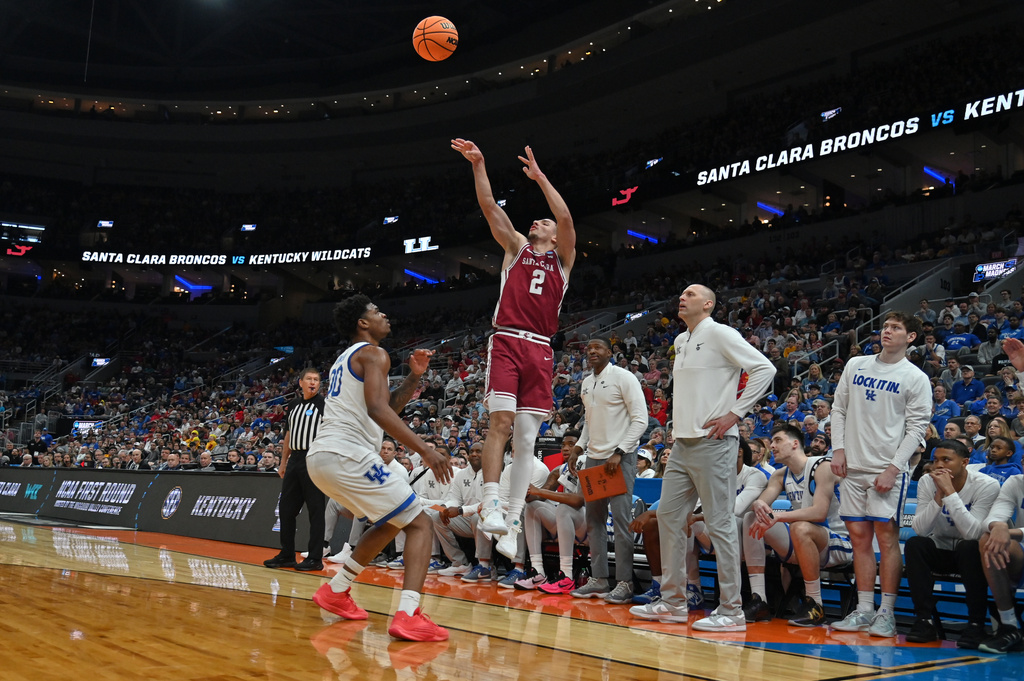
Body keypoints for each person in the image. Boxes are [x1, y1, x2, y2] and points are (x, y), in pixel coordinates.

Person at [451, 138, 576, 561]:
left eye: (544, 222)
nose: (538, 222)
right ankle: (490, 502)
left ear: (556, 238)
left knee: (526, 441)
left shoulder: (563, 261)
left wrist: (540, 178)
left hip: (541, 350)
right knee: (500, 423)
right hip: (506, 340)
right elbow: (489, 206)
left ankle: (512, 516)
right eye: (536, 221)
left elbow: (565, 215)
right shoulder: (516, 248)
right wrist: (479, 164)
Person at [305, 294, 453, 642]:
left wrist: (414, 378)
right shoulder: (374, 352)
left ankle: (336, 591)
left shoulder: (345, 359)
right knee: (419, 524)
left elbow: (385, 406)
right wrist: (426, 449)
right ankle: (408, 614)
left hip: (323, 458)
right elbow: (377, 410)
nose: (384, 314)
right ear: (363, 323)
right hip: (348, 453)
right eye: (375, 311)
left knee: (392, 522)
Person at [630, 284, 774, 630]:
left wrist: (735, 413)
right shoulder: (681, 341)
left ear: (708, 304)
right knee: (667, 517)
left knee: (720, 523)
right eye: (681, 293)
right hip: (682, 444)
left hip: (715, 442)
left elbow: (765, 370)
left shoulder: (721, 333)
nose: (683, 297)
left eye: (691, 294)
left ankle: (732, 609)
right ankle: (674, 601)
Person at [830, 311, 932, 637]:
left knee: (886, 540)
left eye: (896, 328)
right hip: (852, 467)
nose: (888, 331)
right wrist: (839, 449)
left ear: (911, 337)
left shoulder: (915, 377)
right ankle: (863, 610)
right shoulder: (855, 364)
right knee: (859, 540)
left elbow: (917, 429)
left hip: (885, 470)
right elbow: (838, 409)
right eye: (886, 326)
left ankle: (886, 613)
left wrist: (893, 468)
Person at [743, 424, 851, 627]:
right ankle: (759, 600)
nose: (772, 446)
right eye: (771, 441)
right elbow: (763, 507)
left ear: (795, 444)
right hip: (803, 542)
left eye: (778, 440)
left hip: (839, 542)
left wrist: (779, 516)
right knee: (752, 519)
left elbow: (819, 513)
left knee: (799, 527)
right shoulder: (779, 475)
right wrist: (758, 504)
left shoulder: (822, 466)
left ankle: (815, 604)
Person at [567, 338, 648, 604]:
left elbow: (640, 420)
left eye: (597, 348)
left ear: (610, 353)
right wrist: (579, 447)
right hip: (594, 458)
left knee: (622, 522)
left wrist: (620, 451)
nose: (591, 351)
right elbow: (589, 421)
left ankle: (624, 582)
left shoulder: (624, 378)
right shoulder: (586, 383)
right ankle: (599, 579)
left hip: (619, 460)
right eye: (588, 348)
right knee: (594, 521)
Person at [903, 439, 999, 648]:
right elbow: (920, 529)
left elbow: (973, 533)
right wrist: (939, 495)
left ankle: (975, 624)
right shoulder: (927, 482)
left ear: (964, 462)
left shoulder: (987, 485)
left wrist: (951, 493)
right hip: (940, 550)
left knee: (970, 547)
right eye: (936, 460)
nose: (939, 466)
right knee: (915, 544)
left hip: (971, 555)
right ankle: (924, 621)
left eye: (946, 460)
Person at [264, 368, 328, 572]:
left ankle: (315, 557)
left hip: (314, 459)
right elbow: (289, 435)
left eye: (316, 380)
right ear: (300, 383)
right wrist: (283, 462)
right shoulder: (293, 405)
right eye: (309, 379)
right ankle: (287, 554)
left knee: (316, 511)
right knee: (285, 509)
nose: (313, 382)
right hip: (295, 460)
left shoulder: (324, 405)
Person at [977, 472, 1024, 653]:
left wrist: (1007, 532)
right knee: (987, 541)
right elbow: (993, 517)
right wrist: (998, 525)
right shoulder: (1015, 482)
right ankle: (1009, 625)